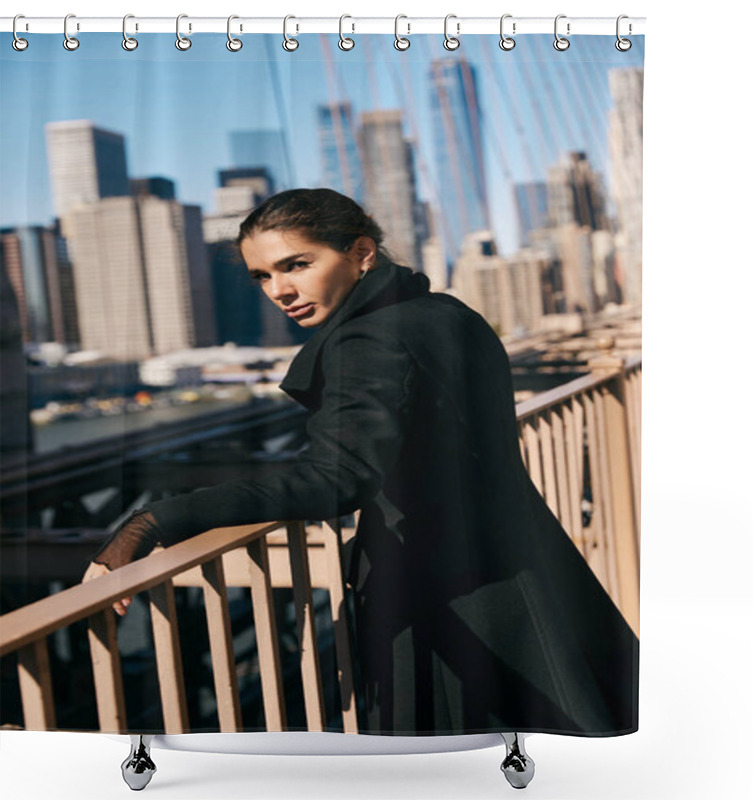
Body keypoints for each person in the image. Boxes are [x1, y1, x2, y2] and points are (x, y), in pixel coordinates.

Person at [82, 188, 638, 737]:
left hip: (446, 593)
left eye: (297, 265)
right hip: (520, 564)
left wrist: (155, 520)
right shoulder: (443, 312)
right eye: (263, 277)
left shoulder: (365, 342)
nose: (280, 290)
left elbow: (335, 478)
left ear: (361, 253)